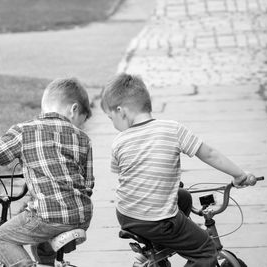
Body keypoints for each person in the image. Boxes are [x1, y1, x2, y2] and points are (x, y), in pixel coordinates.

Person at [100, 73, 257, 267]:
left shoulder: (119, 141)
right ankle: (164, 244)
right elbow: (209, 154)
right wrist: (239, 175)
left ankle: (156, 250)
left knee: (183, 197)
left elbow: (124, 173)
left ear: (121, 111)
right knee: (206, 251)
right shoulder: (172, 129)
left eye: (110, 118)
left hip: (126, 215)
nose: (113, 124)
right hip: (157, 220)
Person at [0, 77, 94, 267]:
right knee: (41, 246)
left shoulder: (25, 131)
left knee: (2, 238)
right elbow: (88, 184)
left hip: (48, 217)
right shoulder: (83, 138)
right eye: (82, 121)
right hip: (81, 216)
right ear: (74, 109)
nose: (80, 126)